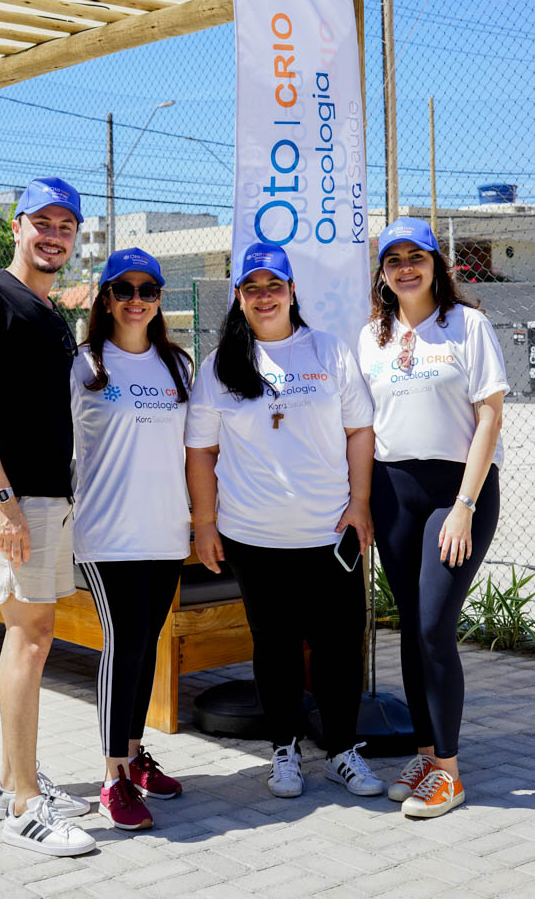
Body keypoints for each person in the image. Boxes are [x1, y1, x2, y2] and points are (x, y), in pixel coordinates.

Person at [185, 242, 384, 800]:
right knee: (273, 647)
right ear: (240, 298)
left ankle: (343, 751)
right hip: (254, 536)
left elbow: (359, 431)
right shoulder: (221, 365)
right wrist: (205, 522)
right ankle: (284, 751)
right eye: (253, 288)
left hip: (329, 534)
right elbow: (200, 450)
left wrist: (360, 504)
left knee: (339, 647)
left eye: (275, 286)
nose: (265, 296)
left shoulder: (328, 351)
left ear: (293, 292)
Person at [0, 177, 95, 857]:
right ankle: (22, 807)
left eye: (66, 225)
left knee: (33, 635)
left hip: (45, 495)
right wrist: (3, 501)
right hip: (15, 499)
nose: (54, 234)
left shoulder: (45, 308)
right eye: (43, 222)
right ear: (17, 225)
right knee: (29, 640)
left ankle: (15, 780)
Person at [358, 217, 508, 819]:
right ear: (384, 273)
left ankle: (449, 771)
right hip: (394, 491)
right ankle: (425, 751)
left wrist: (465, 507)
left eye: (415, 257)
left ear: (435, 264)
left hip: (457, 491)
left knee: (433, 626)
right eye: (393, 260)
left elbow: (490, 418)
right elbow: (363, 428)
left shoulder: (468, 325)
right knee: (410, 629)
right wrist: (362, 503)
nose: (405, 268)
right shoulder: (373, 334)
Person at [72, 248, 192, 831]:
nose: (137, 299)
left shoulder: (179, 366)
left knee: (145, 645)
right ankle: (111, 776)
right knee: (123, 643)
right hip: (108, 533)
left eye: (149, 289)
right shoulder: (84, 365)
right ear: (106, 298)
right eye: (124, 289)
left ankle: (136, 754)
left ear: (160, 298)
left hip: (165, 531)